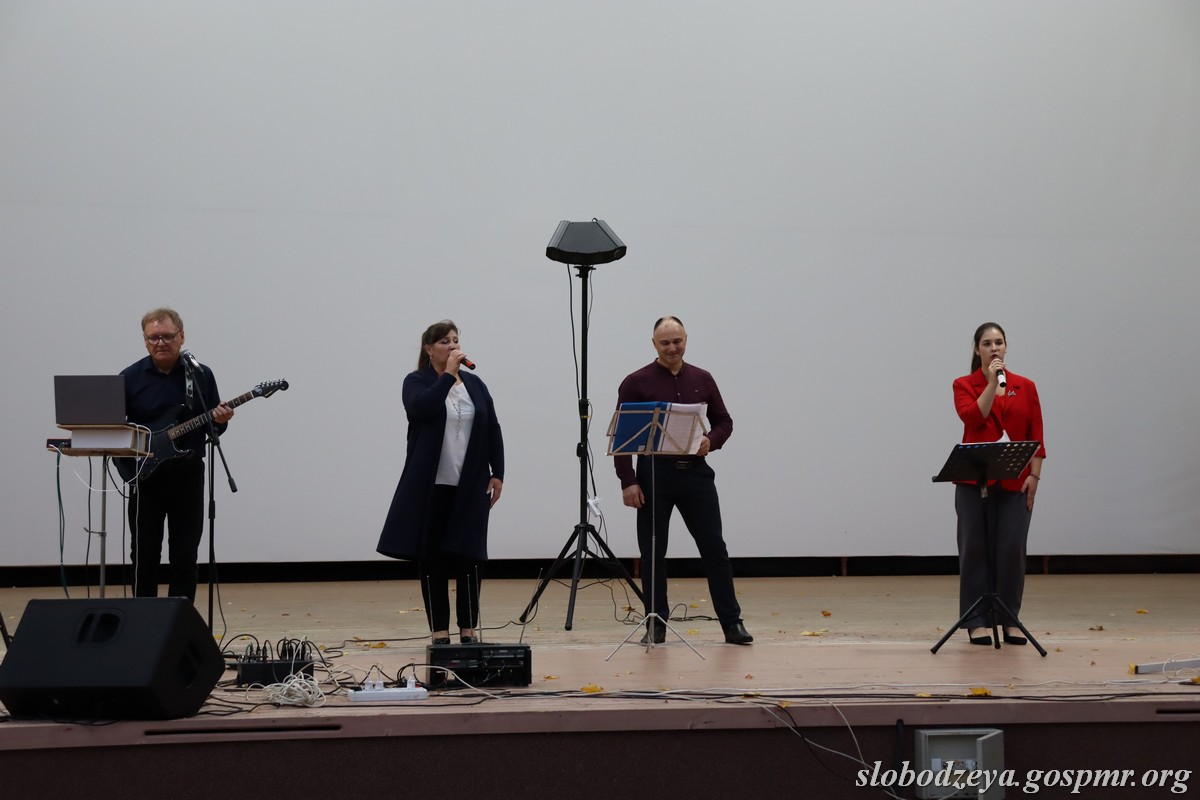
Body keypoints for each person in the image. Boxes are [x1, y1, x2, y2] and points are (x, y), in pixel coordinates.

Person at [614, 316, 752, 645]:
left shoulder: (703, 378)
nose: (672, 348)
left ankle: (732, 623)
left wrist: (711, 441)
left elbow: (724, 421)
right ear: (654, 344)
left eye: (677, 341)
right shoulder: (635, 382)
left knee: (714, 549)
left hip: (696, 475)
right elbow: (623, 437)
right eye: (665, 343)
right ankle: (656, 623)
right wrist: (628, 480)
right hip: (654, 476)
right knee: (652, 552)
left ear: (686, 340)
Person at [378, 320, 504, 645]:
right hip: (433, 484)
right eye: (445, 341)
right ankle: (439, 633)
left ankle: (468, 631)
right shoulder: (416, 381)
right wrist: (447, 375)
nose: (453, 346)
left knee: (470, 557)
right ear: (429, 349)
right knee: (433, 558)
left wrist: (498, 472)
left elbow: (492, 427)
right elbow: (421, 409)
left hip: (471, 483)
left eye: (456, 340)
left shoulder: (475, 385)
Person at [122, 307, 234, 601]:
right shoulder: (129, 378)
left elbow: (212, 428)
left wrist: (220, 421)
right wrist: (129, 469)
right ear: (145, 340)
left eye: (167, 336)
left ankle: (179, 619)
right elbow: (117, 431)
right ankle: (143, 618)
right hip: (146, 478)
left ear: (182, 337)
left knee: (185, 552)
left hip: (188, 475)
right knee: (144, 553)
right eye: (153, 338)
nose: (160, 343)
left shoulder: (200, 375)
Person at [952, 322, 1046, 646]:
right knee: (974, 549)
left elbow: (1036, 435)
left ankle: (1009, 618)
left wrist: (1034, 476)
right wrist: (992, 384)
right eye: (987, 343)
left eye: (999, 342)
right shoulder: (964, 384)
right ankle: (976, 620)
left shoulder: (1026, 386)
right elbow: (973, 417)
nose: (994, 348)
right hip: (973, 483)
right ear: (977, 349)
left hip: (1015, 483)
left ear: (1006, 347)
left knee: (1011, 550)